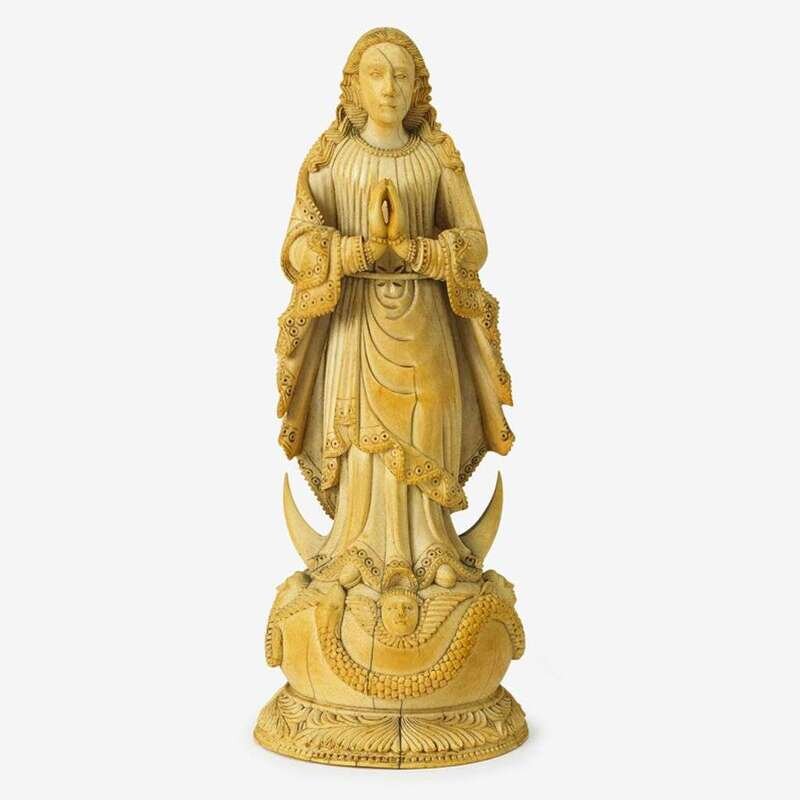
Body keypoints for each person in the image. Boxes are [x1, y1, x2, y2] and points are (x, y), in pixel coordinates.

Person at [276, 27, 514, 591]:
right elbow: (296, 246)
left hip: (425, 314)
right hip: (356, 318)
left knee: (426, 425)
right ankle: (358, 549)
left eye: (402, 77)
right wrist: (351, 250)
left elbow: (475, 241)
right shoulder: (332, 156)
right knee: (362, 434)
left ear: (417, 88)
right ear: (355, 85)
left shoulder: (436, 157)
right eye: (377, 75)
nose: (389, 88)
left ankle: (431, 548)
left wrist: (419, 250)